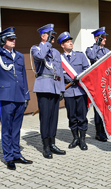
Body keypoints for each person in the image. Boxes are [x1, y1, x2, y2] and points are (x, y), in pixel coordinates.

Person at [0, 27, 32, 170]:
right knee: (6, 128)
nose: (13, 41)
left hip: (19, 97)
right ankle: (9, 158)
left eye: (14, 38)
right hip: (5, 96)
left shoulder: (20, 56)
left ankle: (17, 154)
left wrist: (26, 96)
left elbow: (23, 77)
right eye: (10, 39)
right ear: (4, 40)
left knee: (16, 128)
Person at [31, 24, 66, 159]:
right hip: (44, 87)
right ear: (43, 36)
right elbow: (40, 57)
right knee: (45, 118)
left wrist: (62, 88)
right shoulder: (36, 48)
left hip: (55, 87)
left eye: (53, 34)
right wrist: (46, 44)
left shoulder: (56, 52)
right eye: (50, 34)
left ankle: (52, 144)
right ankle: (45, 146)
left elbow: (60, 72)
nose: (53, 37)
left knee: (54, 117)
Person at [57, 32, 90, 150]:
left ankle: (82, 140)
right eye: (67, 41)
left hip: (81, 91)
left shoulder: (80, 55)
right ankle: (75, 138)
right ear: (62, 45)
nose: (70, 43)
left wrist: (79, 77)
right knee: (71, 116)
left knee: (82, 116)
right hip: (69, 91)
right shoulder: (59, 59)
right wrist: (61, 90)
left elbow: (87, 69)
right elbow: (58, 75)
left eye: (71, 41)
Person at [86, 27, 110, 142]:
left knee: (106, 109)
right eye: (103, 37)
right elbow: (91, 57)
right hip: (97, 84)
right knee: (98, 109)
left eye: (105, 37)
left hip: (107, 84)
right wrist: (96, 45)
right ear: (97, 38)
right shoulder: (91, 49)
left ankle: (106, 130)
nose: (105, 39)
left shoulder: (107, 50)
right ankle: (98, 132)